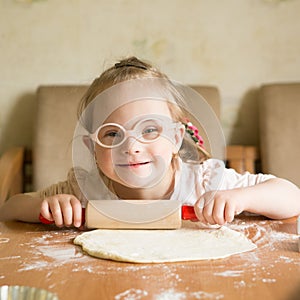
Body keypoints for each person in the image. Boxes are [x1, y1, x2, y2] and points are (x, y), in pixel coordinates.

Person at [0, 57, 299, 228]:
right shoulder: (84, 190)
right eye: (113, 134)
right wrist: (46, 206)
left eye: (149, 130)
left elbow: (292, 197)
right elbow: (10, 210)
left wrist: (240, 199)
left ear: (176, 137)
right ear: (92, 148)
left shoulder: (203, 182)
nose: (131, 147)